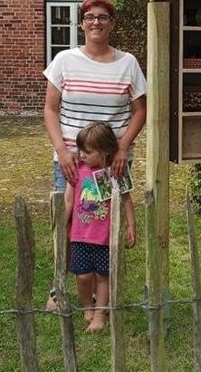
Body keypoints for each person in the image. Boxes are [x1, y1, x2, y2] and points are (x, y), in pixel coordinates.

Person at [43, 0, 147, 310]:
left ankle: (105, 285)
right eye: (90, 17)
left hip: (111, 163)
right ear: (82, 24)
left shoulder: (127, 63)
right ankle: (58, 288)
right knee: (68, 221)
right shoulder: (64, 61)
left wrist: (123, 147)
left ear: (112, 23)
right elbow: (50, 109)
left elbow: (140, 110)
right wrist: (62, 150)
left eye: (103, 17)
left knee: (106, 222)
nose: (96, 22)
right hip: (73, 162)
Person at [64, 122, 137, 332]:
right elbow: (69, 200)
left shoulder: (114, 172)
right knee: (83, 276)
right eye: (81, 150)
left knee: (103, 277)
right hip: (80, 236)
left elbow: (126, 199)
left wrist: (131, 225)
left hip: (104, 238)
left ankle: (99, 314)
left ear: (104, 152)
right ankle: (88, 306)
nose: (82, 155)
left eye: (88, 151)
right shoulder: (77, 170)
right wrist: (62, 225)